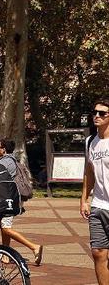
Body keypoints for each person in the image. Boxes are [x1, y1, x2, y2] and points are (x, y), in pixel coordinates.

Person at [0, 139, 43, 265]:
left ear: (4, 149)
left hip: (9, 199)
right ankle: (5, 255)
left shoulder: (4, 162)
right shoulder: (13, 160)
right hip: (14, 198)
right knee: (4, 226)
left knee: (6, 228)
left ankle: (34, 247)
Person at [81, 99, 109, 284]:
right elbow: (89, 172)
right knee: (98, 252)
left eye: (102, 113)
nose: (96, 116)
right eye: (95, 112)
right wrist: (84, 199)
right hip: (98, 205)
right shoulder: (90, 141)